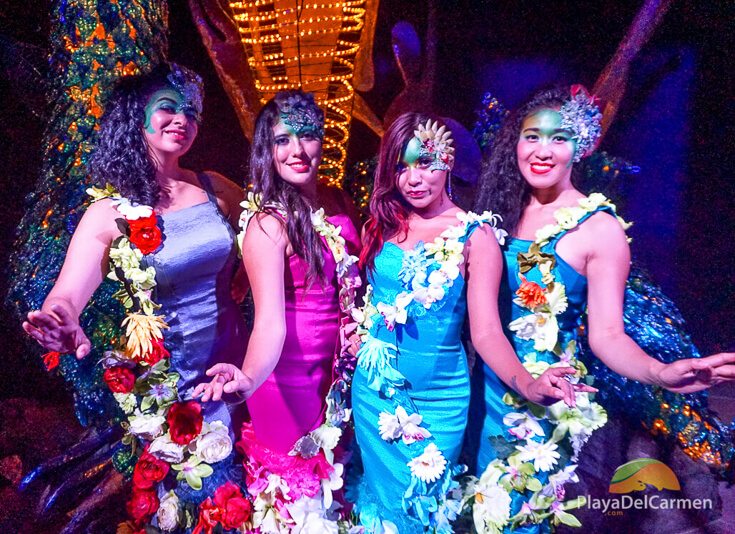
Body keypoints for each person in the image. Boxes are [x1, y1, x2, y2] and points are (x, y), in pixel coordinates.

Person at [468, 85, 735, 533]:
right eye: (532, 136)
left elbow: (607, 335)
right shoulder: (496, 213)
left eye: (560, 138)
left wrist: (658, 372)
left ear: (582, 146)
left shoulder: (601, 229)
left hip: (550, 409)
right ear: (515, 141)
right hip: (486, 390)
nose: (543, 150)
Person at [22, 63, 248, 531]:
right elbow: (67, 295)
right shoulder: (107, 213)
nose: (182, 118)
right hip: (172, 396)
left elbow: (272, 249)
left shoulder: (217, 189)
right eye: (168, 107)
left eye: (192, 112)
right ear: (137, 117)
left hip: (241, 377)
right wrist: (60, 321)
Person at [348, 112, 598, 534]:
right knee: (381, 513)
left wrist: (527, 383)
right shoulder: (383, 226)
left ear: (447, 161)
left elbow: (485, 333)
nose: (413, 178)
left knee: (422, 512)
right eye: (400, 166)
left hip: (439, 401)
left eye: (425, 163)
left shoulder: (474, 235)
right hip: (374, 395)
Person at [194, 90, 362, 532]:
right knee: (298, 503)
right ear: (266, 150)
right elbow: (267, 320)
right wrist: (249, 376)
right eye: (283, 139)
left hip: (340, 373)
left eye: (307, 136)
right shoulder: (269, 222)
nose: (297, 150)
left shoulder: (340, 201)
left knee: (337, 487)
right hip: (286, 377)